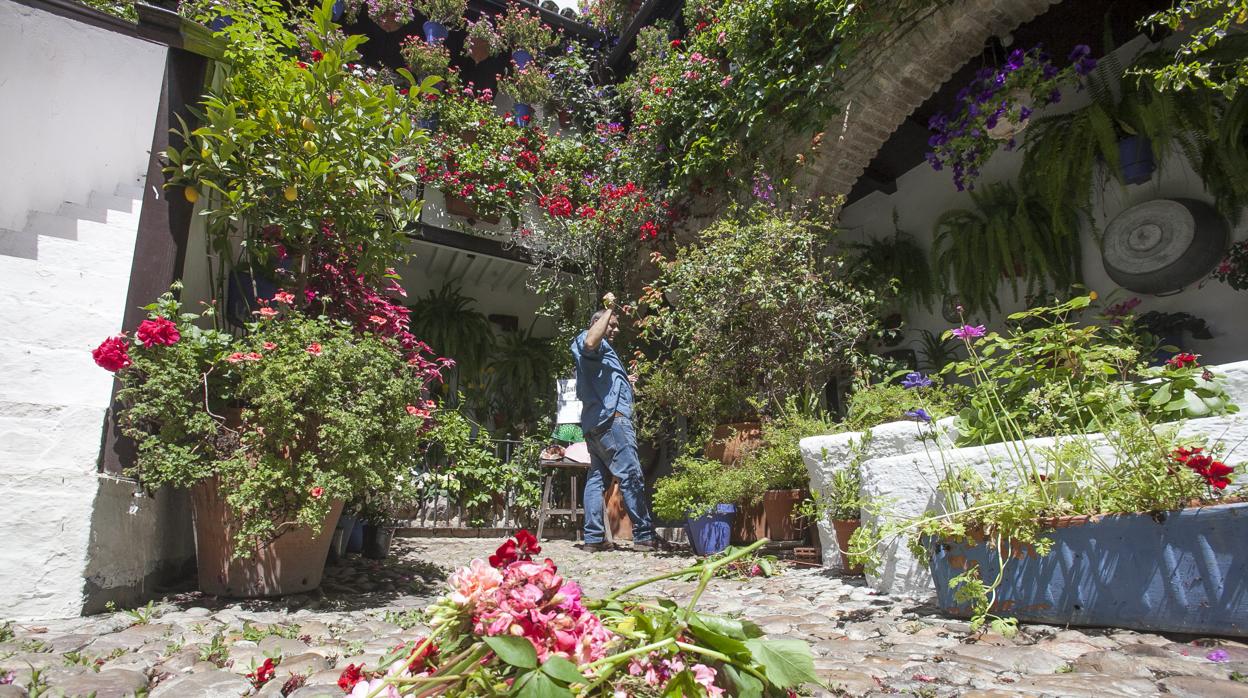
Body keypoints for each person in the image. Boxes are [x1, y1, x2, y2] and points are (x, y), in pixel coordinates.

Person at [572, 292, 660, 552]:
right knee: (631, 475)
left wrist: (624, 380)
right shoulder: (587, 339)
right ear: (597, 321)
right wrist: (609, 308)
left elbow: (599, 377)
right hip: (612, 422)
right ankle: (644, 536)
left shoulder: (604, 354)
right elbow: (590, 340)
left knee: (596, 479)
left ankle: (594, 539)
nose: (616, 329)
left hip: (595, 424)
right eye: (612, 323)